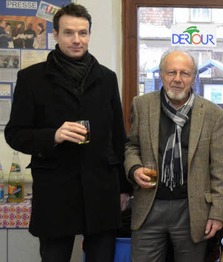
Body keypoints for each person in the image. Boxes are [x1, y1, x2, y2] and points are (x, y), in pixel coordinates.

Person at [4, 3, 131, 261]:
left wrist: (123, 187)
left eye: (83, 33)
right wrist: (52, 135)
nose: (77, 40)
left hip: (101, 189)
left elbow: (118, 137)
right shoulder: (31, 79)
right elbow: (15, 133)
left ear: (89, 35)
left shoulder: (107, 78)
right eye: (69, 33)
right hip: (55, 191)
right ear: (56, 36)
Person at [124, 49, 223, 261]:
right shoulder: (142, 105)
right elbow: (131, 146)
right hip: (149, 206)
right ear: (161, 74)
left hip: (192, 210)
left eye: (185, 73)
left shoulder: (213, 114)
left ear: (194, 77)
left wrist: (217, 214)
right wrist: (135, 169)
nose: (177, 79)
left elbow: (220, 168)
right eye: (171, 72)